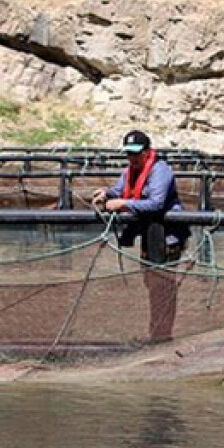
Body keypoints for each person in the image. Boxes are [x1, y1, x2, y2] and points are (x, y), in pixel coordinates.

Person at [92, 131, 191, 343]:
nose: (132, 158)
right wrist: (107, 194)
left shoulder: (160, 171)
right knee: (152, 284)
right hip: (150, 235)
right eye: (128, 153)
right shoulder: (131, 170)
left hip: (167, 237)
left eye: (136, 153)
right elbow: (119, 189)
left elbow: (156, 203)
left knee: (162, 286)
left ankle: (161, 335)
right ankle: (157, 332)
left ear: (147, 152)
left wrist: (124, 204)